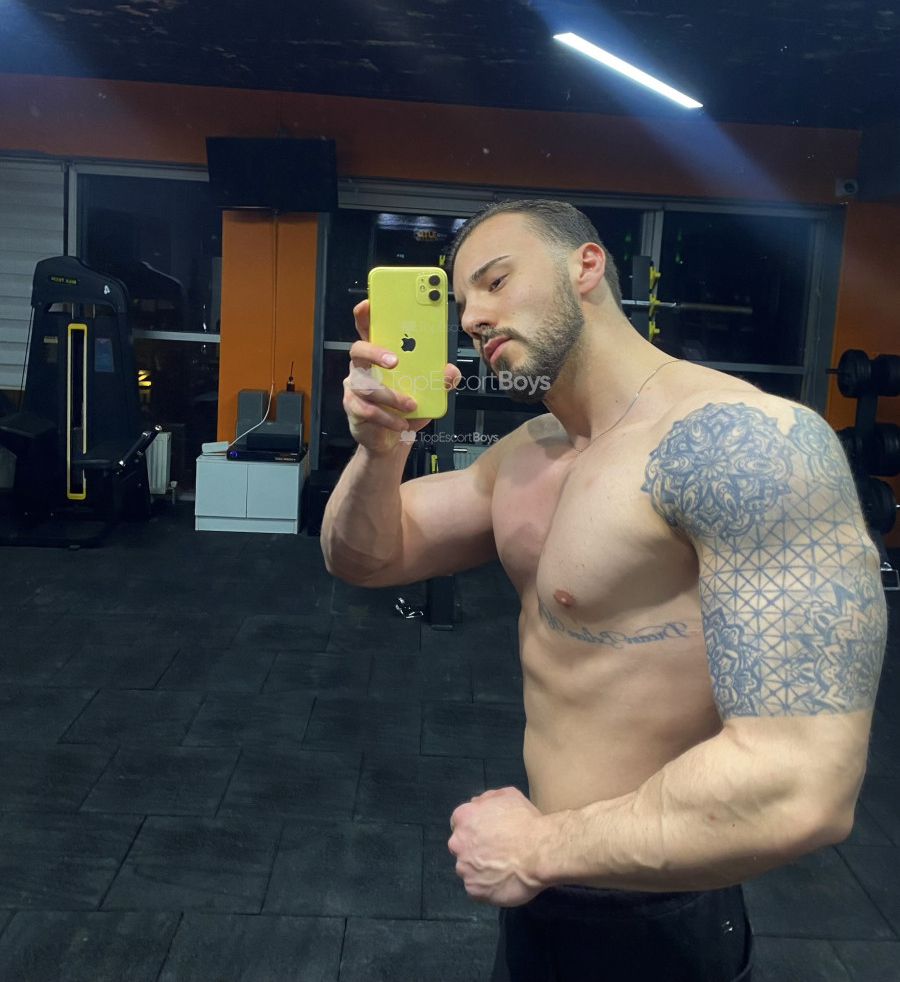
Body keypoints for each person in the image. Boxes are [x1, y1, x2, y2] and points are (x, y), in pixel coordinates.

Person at [320, 198, 887, 982]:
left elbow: (803, 783)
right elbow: (363, 557)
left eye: (495, 280)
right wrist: (381, 449)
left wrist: (540, 847)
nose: (473, 317)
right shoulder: (527, 453)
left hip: (658, 910)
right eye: (462, 302)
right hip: (540, 890)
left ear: (585, 266)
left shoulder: (743, 444)